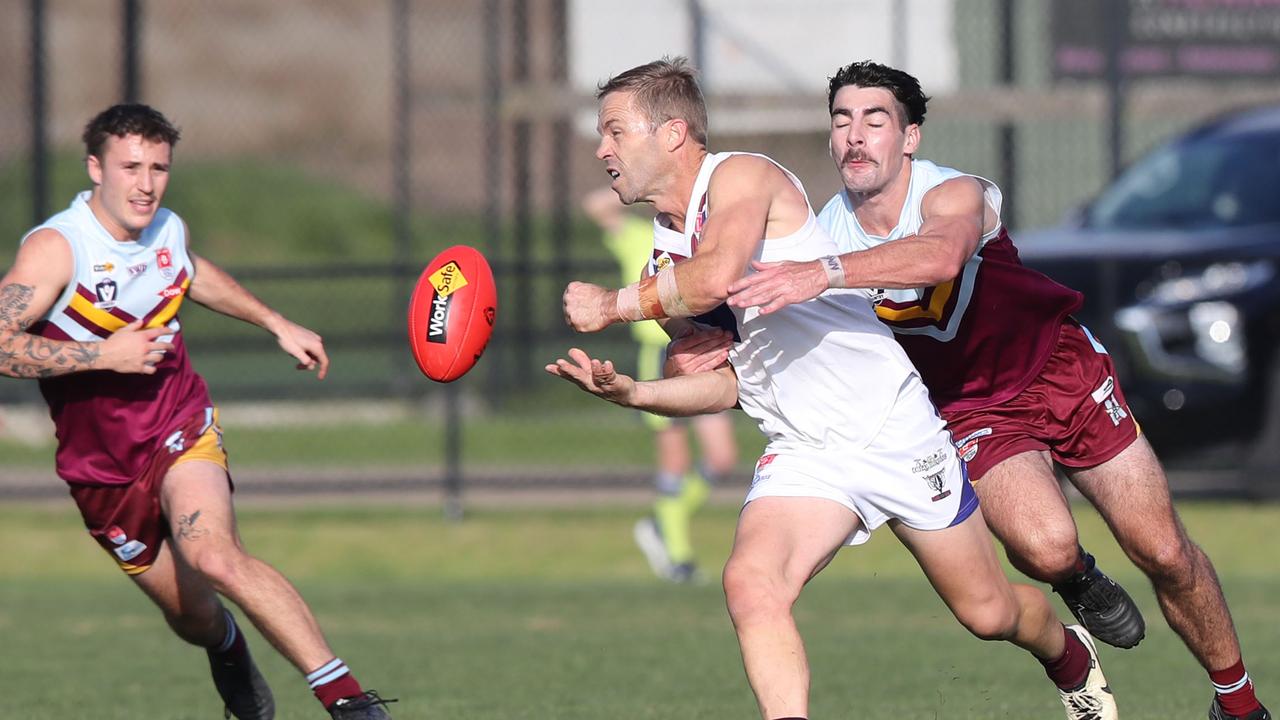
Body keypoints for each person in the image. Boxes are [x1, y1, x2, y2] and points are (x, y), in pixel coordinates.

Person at [555, 57, 1117, 720]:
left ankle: (1066, 654)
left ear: (673, 133)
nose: (602, 149)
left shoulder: (741, 178)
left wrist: (614, 304)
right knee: (751, 583)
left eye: (615, 131)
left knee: (988, 612)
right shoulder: (663, 250)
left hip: (893, 429)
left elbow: (714, 277)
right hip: (805, 450)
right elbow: (729, 381)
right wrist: (636, 393)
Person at [723, 60, 1270, 720]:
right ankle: (1078, 578)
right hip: (971, 409)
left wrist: (826, 273)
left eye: (875, 120)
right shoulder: (820, 236)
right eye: (842, 121)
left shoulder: (951, 193)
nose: (856, 137)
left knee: (1163, 551)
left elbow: (941, 256)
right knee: (1047, 548)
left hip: (1059, 369)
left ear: (910, 136)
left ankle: (1239, 704)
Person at [0, 104, 396, 720]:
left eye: (159, 167)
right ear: (95, 168)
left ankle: (348, 702)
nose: (146, 183)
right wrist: (103, 354)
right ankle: (227, 646)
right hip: (101, 470)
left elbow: (188, 273)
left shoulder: (166, 229)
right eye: (130, 166)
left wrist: (275, 320)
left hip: (178, 425)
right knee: (193, 615)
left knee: (215, 556)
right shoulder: (59, 249)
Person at [581, 186, 738, 584]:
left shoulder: (697, 238)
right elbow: (595, 205)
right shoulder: (636, 235)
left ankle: (660, 522)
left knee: (721, 457)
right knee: (675, 461)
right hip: (658, 354)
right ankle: (677, 553)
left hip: (700, 352)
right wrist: (650, 192)